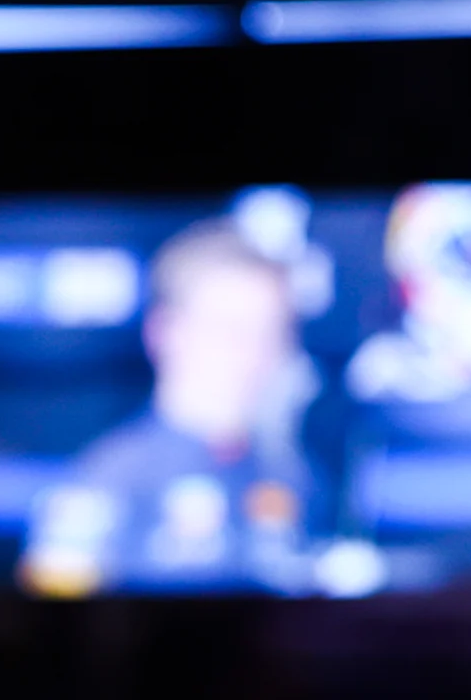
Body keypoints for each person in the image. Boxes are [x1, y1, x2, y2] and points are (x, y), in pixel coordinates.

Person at [19, 220, 315, 599]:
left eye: (272, 331)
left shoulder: (293, 476)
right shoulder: (105, 481)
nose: (254, 353)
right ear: (164, 332)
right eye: (230, 328)